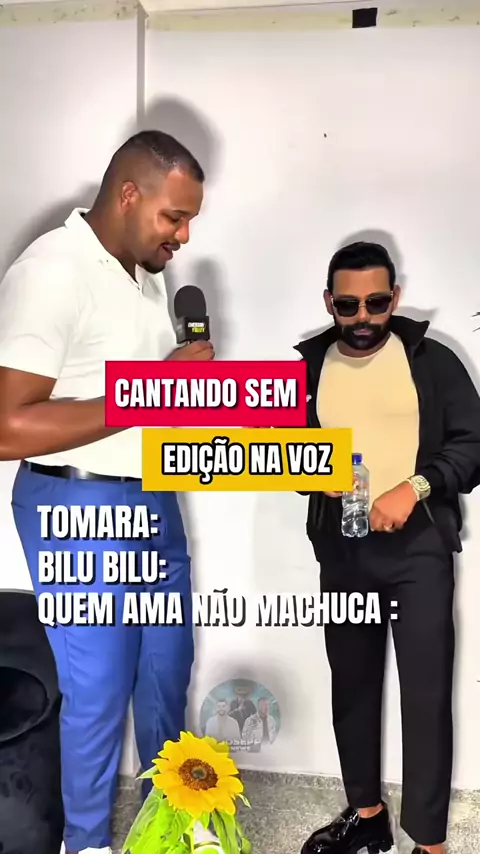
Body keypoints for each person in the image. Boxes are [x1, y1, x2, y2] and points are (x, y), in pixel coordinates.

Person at [0, 130, 214, 854]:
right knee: (96, 694)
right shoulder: (53, 270)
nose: (183, 235)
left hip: (153, 497)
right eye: (174, 217)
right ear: (129, 194)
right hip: (77, 506)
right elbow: (7, 426)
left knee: (165, 677)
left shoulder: (146, 281)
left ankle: (167, 828)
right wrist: (152, 389)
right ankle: (86, 843)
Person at [294, 242, 480, 854]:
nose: (363, 316)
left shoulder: (431, 359)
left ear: (394, 297)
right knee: (351, 684)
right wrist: (314, 469)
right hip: (343, 546)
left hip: (419, 548)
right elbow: (277, 452)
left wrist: (415, 486)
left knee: (425, 693)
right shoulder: (306, 369)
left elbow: (472, 445)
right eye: (348, 305)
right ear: (330, 302)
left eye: (376, 302)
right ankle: (367, 815)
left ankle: (428, 841)